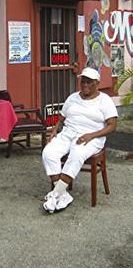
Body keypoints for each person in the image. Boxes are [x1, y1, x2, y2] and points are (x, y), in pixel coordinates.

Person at [42, 67, 118, 213]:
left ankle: (55, 195)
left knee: (77, 154)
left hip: (92, 137)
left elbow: (112, 126)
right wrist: (54, 131)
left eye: (89, 82)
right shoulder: (73, 97)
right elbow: (61, 118)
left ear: (97, 83)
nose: (85, 85)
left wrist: (91, 135)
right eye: (83, 81)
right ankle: (63, 195)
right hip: (68, 133)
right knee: (48, 153)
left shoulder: (105, 100)